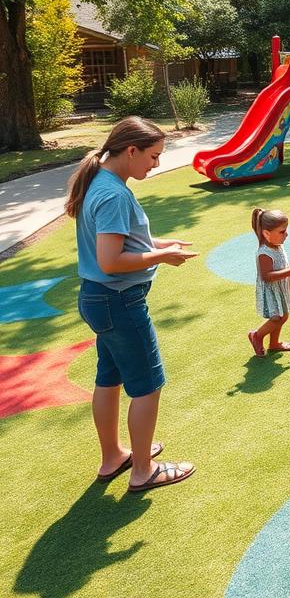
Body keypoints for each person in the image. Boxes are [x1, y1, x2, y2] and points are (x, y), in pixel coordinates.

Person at [65, 116, 197, 492]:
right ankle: (143, 470)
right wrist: (161, 258)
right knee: (147, 386)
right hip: (119, 301)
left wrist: (161, 245)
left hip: (100, 300)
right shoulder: (113, 193)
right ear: (131, 150)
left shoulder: (103, 181)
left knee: (109, 378)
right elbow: (111, 260)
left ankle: (114, 457)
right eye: (153, 157)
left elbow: (125, 243)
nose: (156, 164)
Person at [249, 208, 290, 357]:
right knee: (278, 317)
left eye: (286, 230)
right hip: (271, 290)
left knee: (282, 315)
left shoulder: (277, 245)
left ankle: (274, 343)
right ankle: (257, 336)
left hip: (280, 288)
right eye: (282, 232)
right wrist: (289, 272)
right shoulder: (264, 253)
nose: (286, 234)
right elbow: (267, 276)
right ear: (266, 234)